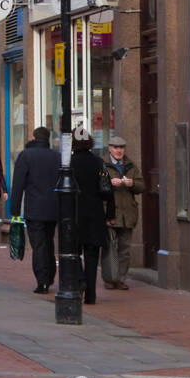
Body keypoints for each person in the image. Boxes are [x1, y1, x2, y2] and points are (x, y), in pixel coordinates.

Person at [7, 126, 62, 294]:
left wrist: (14, 209)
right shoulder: (57, 157)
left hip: (34, 209)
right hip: (53, 209)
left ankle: (42, 280)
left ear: (34, 137)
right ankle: (50, 275)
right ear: (48, 139)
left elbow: (18, 185)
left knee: (38, 245)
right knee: (49, 242)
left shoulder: (26, 156)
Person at [71, 128, 115, 306]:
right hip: (95, 213)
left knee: (73, 252)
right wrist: (110, 214)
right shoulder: (98, 162)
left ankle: (80, 279)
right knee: (91, 255)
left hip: (74, 213)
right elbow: (107, 191)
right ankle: (91, 295)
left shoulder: (69, 163)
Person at [102, 136, 144, 290]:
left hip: (128, 213)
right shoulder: (103, 165)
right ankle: (109, 278)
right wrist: (108, 184)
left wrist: (132, 183)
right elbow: (96, 187)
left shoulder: (131, 165)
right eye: (115, 148)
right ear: (110, 149)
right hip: (110, 213)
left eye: (121, 148)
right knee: (110, 248)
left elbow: (141, 186)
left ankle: (120, 279)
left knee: (125, 249)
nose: (119, 151)